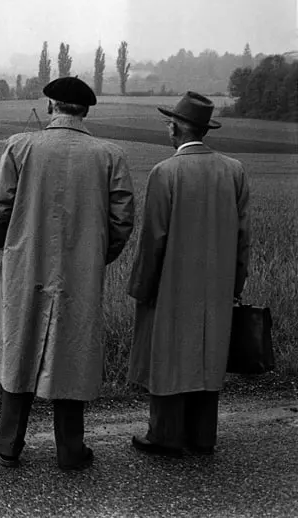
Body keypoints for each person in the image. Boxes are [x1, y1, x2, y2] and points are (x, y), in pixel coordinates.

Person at [0, 77, 135, 471]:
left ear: (51, 107)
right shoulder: (110, 155)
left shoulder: (20, 146)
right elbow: (122, 220)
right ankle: (70, 449)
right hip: (81, 269)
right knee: (73, 351)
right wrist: (98, 256)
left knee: (19, 346)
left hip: (24, 263)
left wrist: (7, 245)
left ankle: (8, 445)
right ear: (85, 110)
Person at [127, 91, 250, 457]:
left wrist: (143, 287)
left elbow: (154, 238)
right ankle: (202, 436)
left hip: (172, 285)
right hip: (217, 286)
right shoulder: (234, 170)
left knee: (168, 356)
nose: (167, 128)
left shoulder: (165, 172)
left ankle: (164, 436)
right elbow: (244, 237)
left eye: (169, 123)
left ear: (177, 128)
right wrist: (235, 285)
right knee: (207, 356)